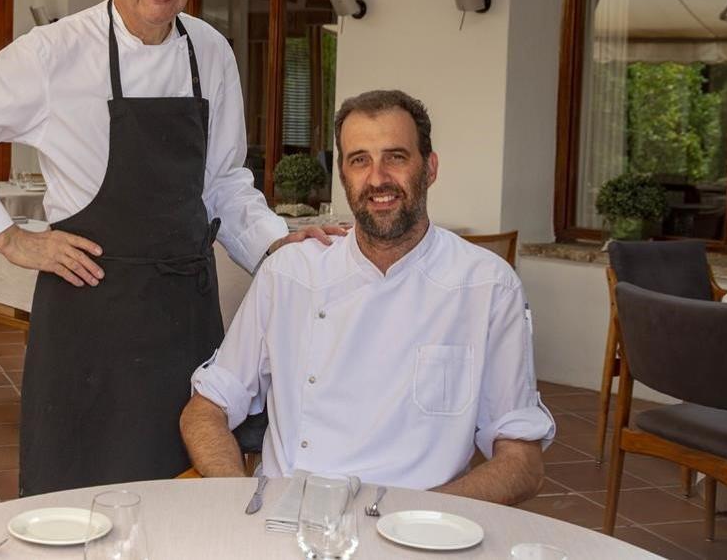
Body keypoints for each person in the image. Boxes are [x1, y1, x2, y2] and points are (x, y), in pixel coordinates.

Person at [0, 0, 343, 496]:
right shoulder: (53, 53)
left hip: (186, 315)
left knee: (185, 484)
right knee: (82, 493)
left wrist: (278, 247)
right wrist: (10, 240)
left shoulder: (209, 50)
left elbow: (224, 183)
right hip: (91, 319)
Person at [179, 90, 555, 505]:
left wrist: (424, 516)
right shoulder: (290, 275)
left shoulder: (487, 287)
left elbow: (523, 462)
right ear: (343, 175)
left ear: (429, 168)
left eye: (395, 157)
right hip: (290, 522)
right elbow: (205, 410)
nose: (377, 179)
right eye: (360, 160)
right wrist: (239, 500)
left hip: (418, 533)